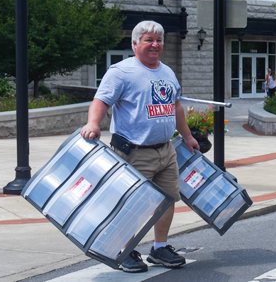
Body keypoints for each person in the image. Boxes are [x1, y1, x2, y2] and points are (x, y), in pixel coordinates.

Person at [79, 20, 200, 273]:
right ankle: (125, 249)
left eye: (158, 40)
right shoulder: (121, 72)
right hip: (134, 151)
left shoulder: (167, 72)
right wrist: (92, 123)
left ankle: (159, 248)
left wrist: (187, 136)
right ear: (135, 43)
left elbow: (176, 106)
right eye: (149, 40)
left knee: (167, 200)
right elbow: (101, 101)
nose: (155, 44)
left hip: (165, 151)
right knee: (131, 203)